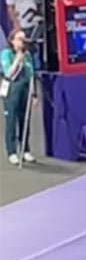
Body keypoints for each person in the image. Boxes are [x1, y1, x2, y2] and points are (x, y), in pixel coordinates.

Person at [2, 28, 36, 165]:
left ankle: (25, 149)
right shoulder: (6, 54)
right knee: (11, 120)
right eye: (20, 39)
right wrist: (17, 59)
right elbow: (8, 73)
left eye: (24, 39)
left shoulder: (27, 55)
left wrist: (34, 94)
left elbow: (31, 74)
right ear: (12, 41)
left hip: (25, 89)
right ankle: (12, 152)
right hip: (11, 90)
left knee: (25, 119)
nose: (23, 42)